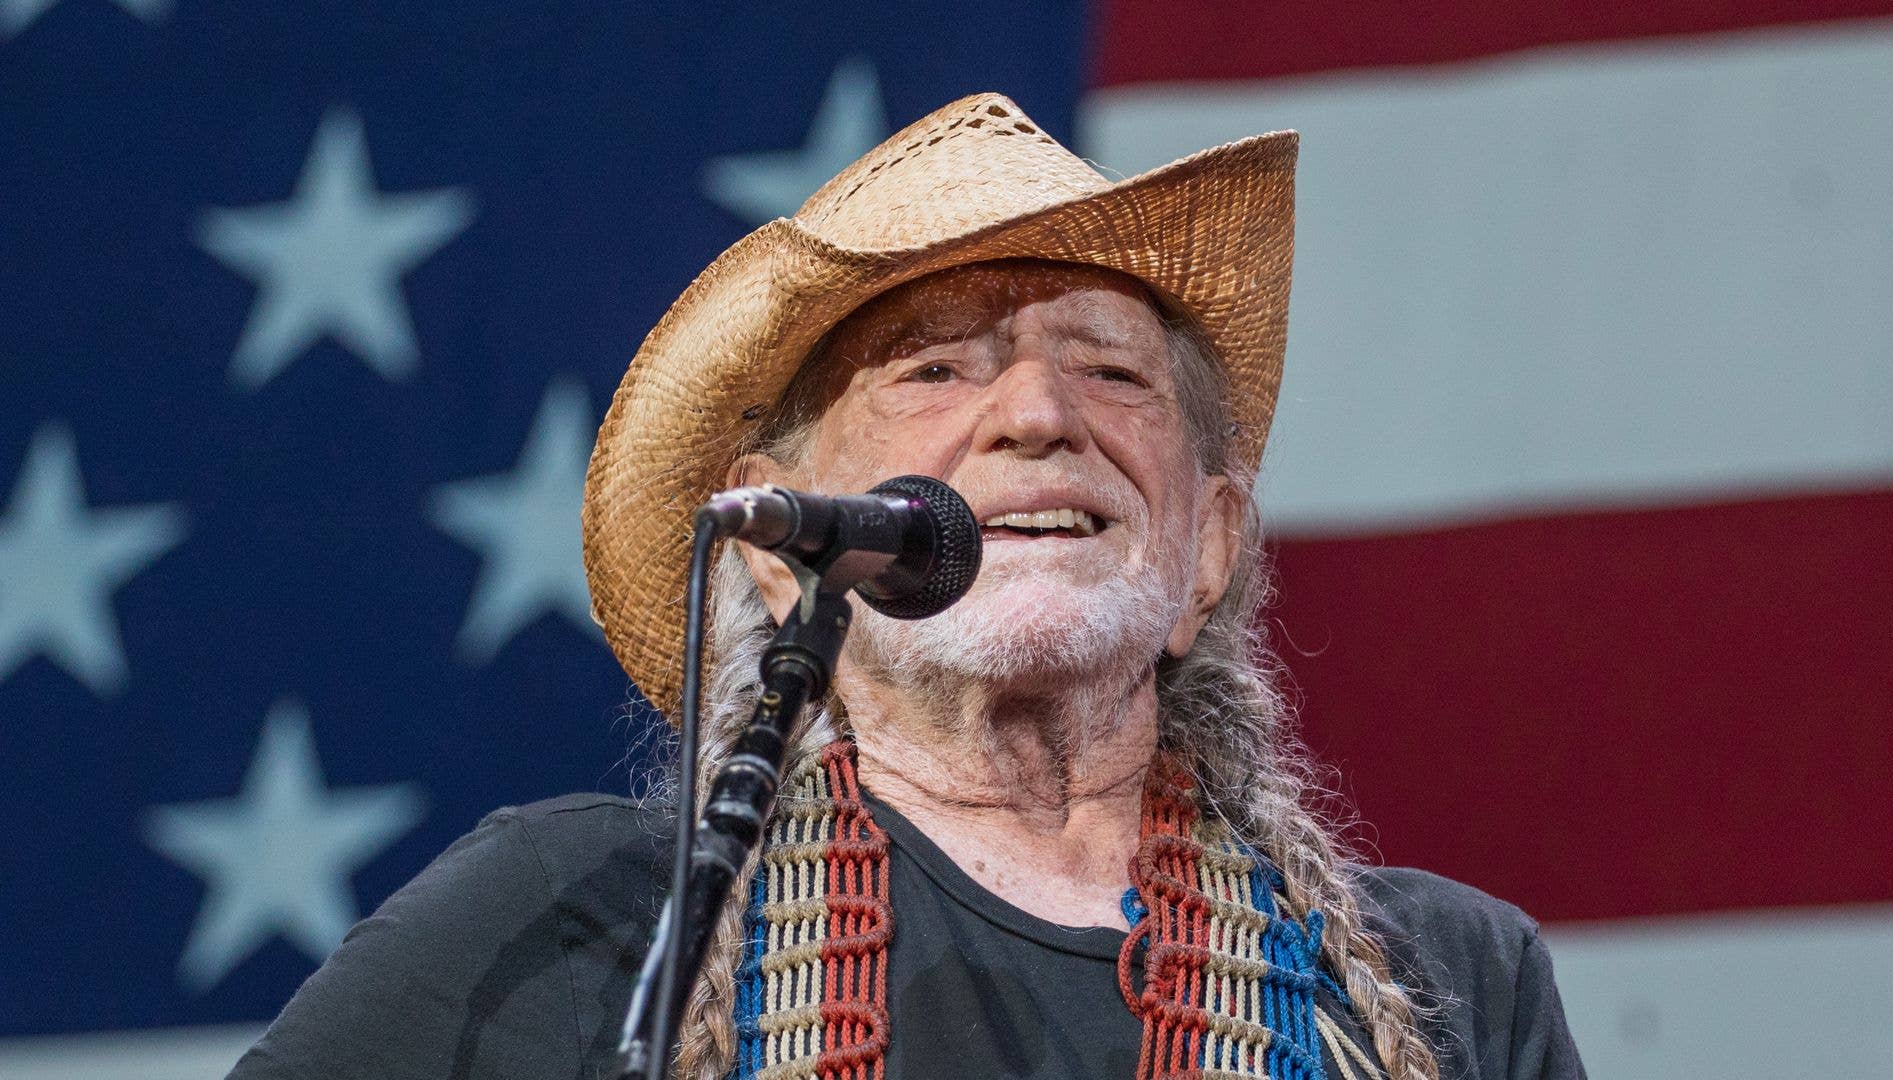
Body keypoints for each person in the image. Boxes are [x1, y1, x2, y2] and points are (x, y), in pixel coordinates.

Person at [229, 94, 1585, 1080]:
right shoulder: (573, 918)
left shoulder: (1447, 983)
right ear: (778, 546)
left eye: (1110, 369)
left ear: (1210, 548)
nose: (1040, 412)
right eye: (935, 368)